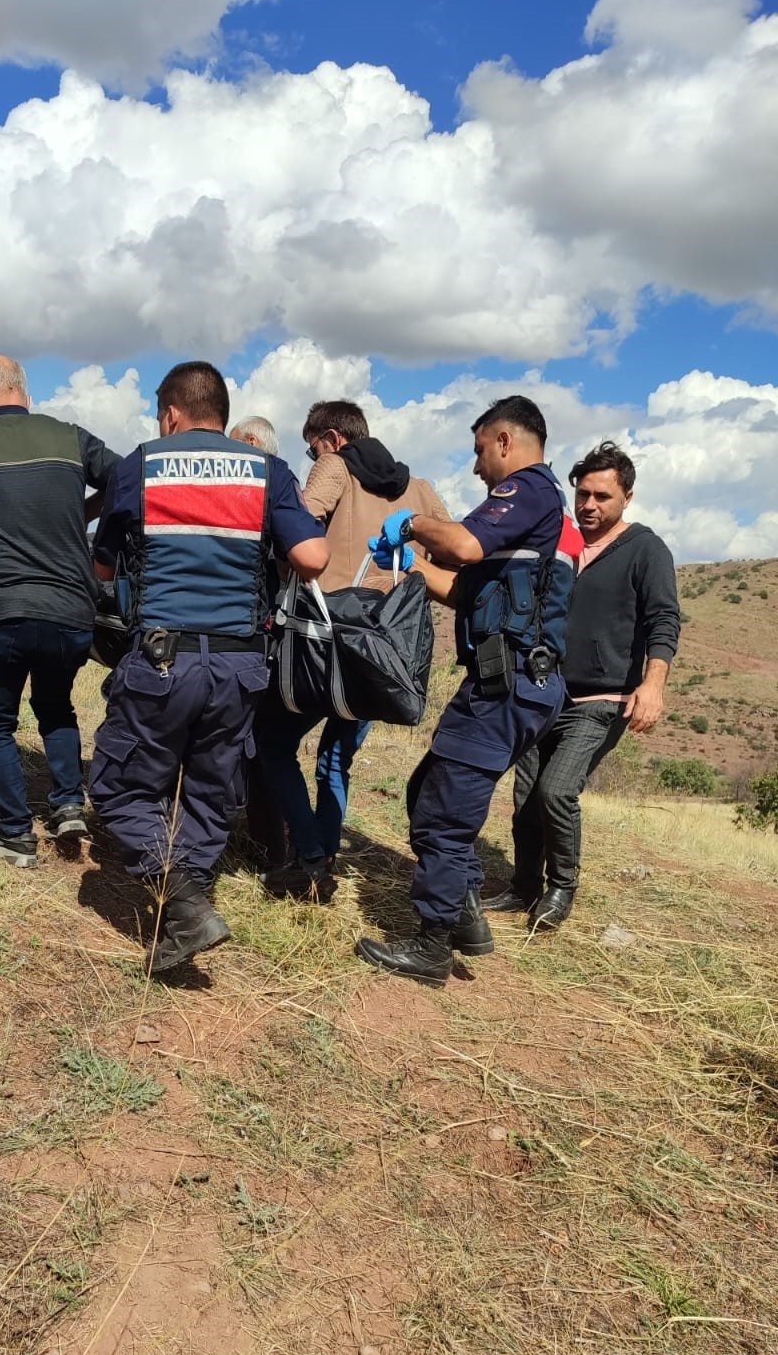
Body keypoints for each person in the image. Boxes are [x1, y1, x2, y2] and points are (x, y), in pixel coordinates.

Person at [89, 360, 328, 973]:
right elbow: (314, 555)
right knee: (209, 789)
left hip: (162, 662)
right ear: (221, 413)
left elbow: (105, 570)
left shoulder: (141, 464)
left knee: (118, 785)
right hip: (240, 667)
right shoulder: (267, 472)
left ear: (170, 414)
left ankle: (183, 901)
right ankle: (183, 912)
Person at [356, 394, 583, 984]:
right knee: (427, 787)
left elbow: (461, 545)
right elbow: (462, 588)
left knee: (442, 815)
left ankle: (432, 945)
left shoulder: (527, 489)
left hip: (505, 687)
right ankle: (466, 913)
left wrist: (410, 521)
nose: (479, 467)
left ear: (505, 440)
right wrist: (407, 564)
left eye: (481, 451)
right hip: (504, 682)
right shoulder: (528, 516)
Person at [256, 399, 453, 898]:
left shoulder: (335, 467)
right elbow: (454, 547)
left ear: (334, 439)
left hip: (326, 641)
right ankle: (320, 862)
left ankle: (310, 855)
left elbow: (295, 525)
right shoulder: (420, 488)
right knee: (335, 761)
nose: (311, 456)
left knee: (272, 743)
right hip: (384, 651)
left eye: (312, 447)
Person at [488, 441, 680, 927]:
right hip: (544, 688)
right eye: (583, 494)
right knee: (526, 793)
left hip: (602, 698)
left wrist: (652, 684)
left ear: (627, 498)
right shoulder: (562, 540)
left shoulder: (646, 550)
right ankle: (523, 886)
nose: (590, 505)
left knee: (556, 791)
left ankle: (562, 887)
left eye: (602, 496)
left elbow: (663, 620)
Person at [0, 354, 121, 868]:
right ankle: (67, 805)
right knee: (56, 707)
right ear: (25, 392)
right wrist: (78, 512)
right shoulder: (69, 437)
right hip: (70, 612)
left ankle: (16, 833)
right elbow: (123, 481)